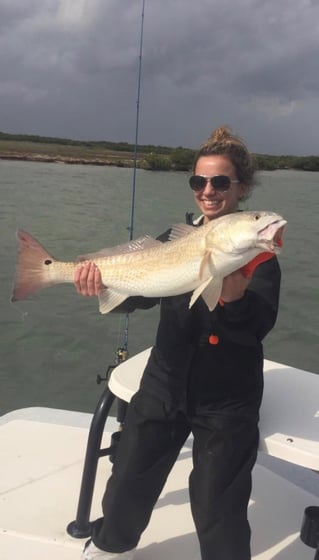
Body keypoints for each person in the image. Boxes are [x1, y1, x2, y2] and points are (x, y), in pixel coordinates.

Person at [74, 126, 281, 560]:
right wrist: (106, 286)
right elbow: (143, 292)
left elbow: (257, 326)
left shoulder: (259, 255)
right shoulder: (174, 238)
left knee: (217, 507)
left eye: (220, 182)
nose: (208, 191)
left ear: (241, 188)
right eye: (199, 181)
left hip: (226, 397)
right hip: (164, 382)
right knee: (128, 477)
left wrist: (235, 297)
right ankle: (111, 543)